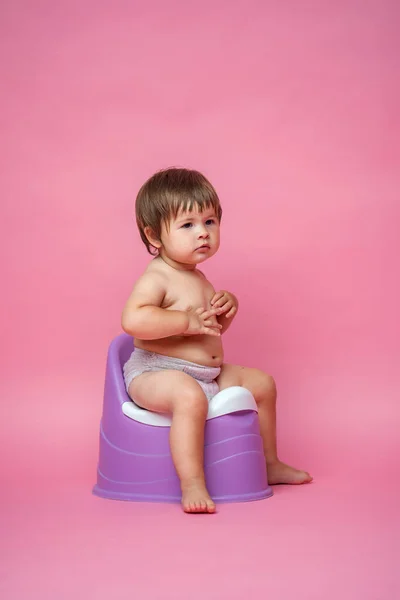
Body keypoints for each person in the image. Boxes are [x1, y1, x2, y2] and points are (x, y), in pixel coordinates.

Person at [122, 168, 312, 514]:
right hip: (156, 373)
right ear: (155, 235)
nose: (203, 234)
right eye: (188, 225)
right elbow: (134, 320)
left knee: (263, 384)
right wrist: (186, 320)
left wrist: (225, 312)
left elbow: (211, 332)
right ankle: (192, 481)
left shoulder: (199, 277)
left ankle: (268, 462)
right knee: (188, 397)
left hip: (203, 373)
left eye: (210, 222)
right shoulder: (158, 276)